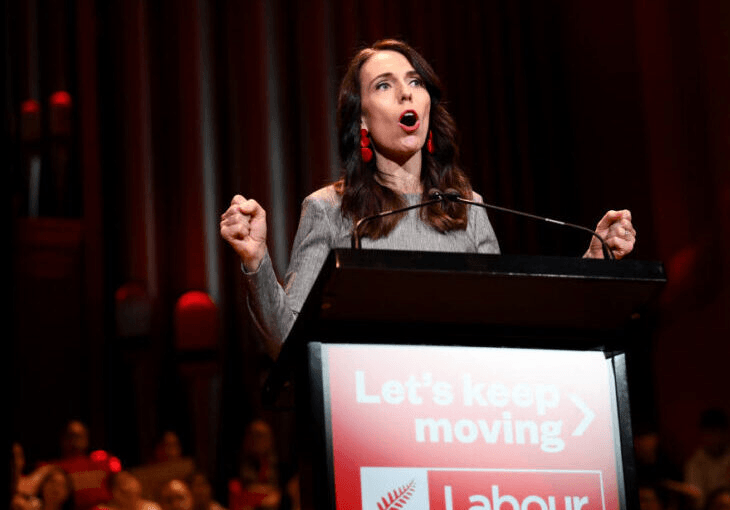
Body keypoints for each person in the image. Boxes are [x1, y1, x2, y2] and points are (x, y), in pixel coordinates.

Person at [220, 39, 637, 357]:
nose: (406, 94)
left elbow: (512, 323)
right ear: (361, 119)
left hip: (458, 419)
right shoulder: (329, 209)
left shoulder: (468, 207)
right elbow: (286, 340)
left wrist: (593, 264)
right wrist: (256, 260)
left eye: (414, 82)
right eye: (384, 85)